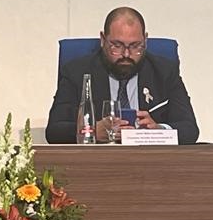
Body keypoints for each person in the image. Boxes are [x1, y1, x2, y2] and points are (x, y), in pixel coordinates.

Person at [45, 7, 199, 144]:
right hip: (97, 165)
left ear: (145, 40)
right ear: (103, 40)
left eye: (135, 46)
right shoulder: (77, 72)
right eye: (117, 46)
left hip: (150, 164)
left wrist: (159, 131)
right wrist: (91, 130)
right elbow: (54, 131)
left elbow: (190, 129)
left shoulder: (164, 71)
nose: (126, 54)